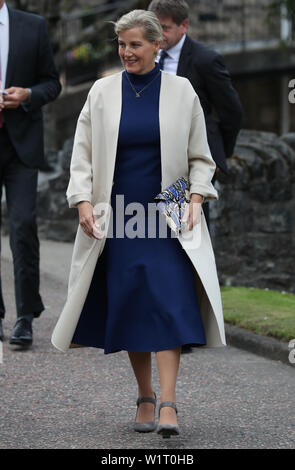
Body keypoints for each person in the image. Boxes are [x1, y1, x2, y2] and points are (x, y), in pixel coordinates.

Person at [51, 10, 226, 439]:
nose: (127, 52)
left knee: (168, 300)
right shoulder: (102, 91)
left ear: (156, 45)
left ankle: (169, 402)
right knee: (131, 304)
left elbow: (201, 157)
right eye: (121, 44)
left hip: (168, 212)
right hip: (121, 216)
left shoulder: (182, 91)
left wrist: (197, 199)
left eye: (135, 44)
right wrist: (82, 203)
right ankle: (145, 396)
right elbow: (83, 155)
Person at [148, 0, 242, 353]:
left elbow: (231, 111)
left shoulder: (204, 60)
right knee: (154, 240)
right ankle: (162, 315)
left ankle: (185, 326)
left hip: (190, 169)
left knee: (186, 243)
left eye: (166, 28)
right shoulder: (144, 55)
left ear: (183, 26)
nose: (158, 35)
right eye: (154, 27)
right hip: (151, 162)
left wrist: (217, 153)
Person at [0, 0, 62, 346]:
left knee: (23, 225)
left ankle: (25, 317)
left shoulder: (33, 25)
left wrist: (28, 95)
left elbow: (52, 84)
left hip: (22, 145)